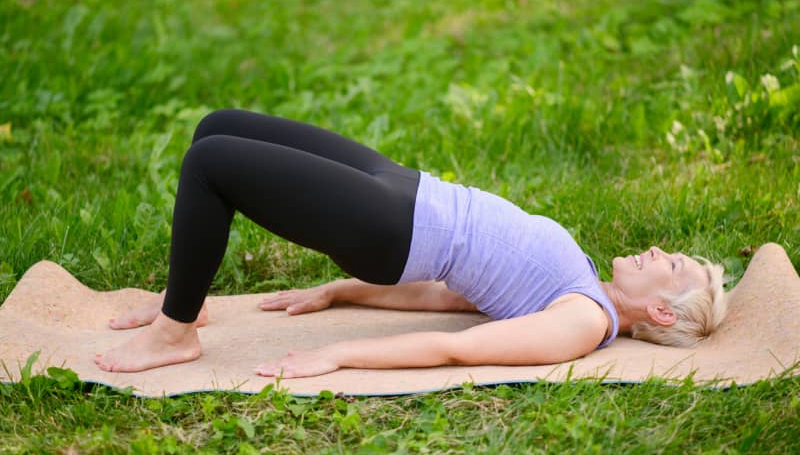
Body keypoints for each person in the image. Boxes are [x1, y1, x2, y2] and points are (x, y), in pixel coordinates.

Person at [94, 109, 728, 377]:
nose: (657, 251)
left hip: (391, 227)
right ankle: (188, 295)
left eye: (670, 265)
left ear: (664, 310)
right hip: (404, 186)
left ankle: (176, 332)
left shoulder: (585, 321)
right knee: (218, 127)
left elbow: (461, 349)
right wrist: (341, 290)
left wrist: (341, 357)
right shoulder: (582, 281)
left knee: (213, 164)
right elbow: (454, 301)